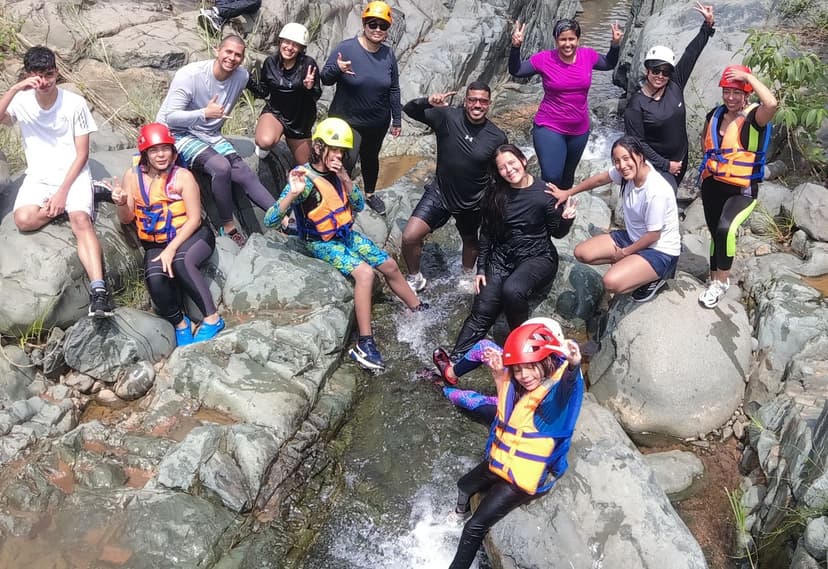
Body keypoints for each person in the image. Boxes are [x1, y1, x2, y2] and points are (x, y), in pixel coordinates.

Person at [263, 118, 427, 371]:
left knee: (390, 264)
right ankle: (365, 343)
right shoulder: (304, 180)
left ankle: (417, 308)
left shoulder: (338, 174)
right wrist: (293, 193)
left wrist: (346, 179)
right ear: (318, 147)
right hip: (319, 242)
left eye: (342, 151)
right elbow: (270, 220)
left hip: (344, 234)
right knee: (363, 273)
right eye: (334, 149)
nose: (339, 155)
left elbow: (359, 206)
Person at [447, 319, 584, 569]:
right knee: (463, 485)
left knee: (473, 528)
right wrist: (501, 374)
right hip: (503, 460)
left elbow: (568, 387)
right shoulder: (522, 387)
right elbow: (507, 410)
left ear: (547, 361)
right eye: (519, 370)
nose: (524, 376)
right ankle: (458, 512)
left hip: (522, 478)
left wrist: (574, 365)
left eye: (531, 367)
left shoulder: (556, 401)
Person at [434, 145, 576, 369]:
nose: (509, 170)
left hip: (537, 257)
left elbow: (557, 233)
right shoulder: (495, 193)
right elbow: (487, 234)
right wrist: (481, 269)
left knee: (512, 290)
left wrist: (567, 219)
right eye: (502, 167)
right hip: (501, 259)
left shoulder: (544, 194)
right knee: (482, 311)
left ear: (523, 160)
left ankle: (524, 356)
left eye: (512, 163)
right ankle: (452, 364)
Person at [0, 45, 114, 318]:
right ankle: (92, 194)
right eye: (38, 75)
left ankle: (99, 291)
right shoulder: (21, 101)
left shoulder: (74, 103)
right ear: (28, 75)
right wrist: (15, 89)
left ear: (57, 72)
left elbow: (83, 153)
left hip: (73, 173)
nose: (45, 81)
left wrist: (63, 193)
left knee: (80, 221)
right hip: (39, 175)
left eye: (49, 74)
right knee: (24, 220)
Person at [156, 34, 277, 248]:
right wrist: (204, 113)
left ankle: (283, 217)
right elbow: (170, 117)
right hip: (177, 133)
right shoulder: (190, 75)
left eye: (238, 55)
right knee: (221, 167)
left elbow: (265, 91)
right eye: (228, 52)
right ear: (217, 50)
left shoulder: (241, 76)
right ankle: (228, 225)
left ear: (243, 58)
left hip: (209, 134)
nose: (232, 58)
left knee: (243, 172)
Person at [109, 123, 224, 345]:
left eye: (165, 149)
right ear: (145, 154)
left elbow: (194, 219)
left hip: (194, 236)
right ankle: (181, 323)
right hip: (156, 242)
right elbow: (126, 218)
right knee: (154, 277)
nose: (161, 155)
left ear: (173, 151)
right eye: (154, 150)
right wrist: (122, 202)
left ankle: (212, 318)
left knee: (181, 262)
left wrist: (172, 250)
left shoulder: (183, 177)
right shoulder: (132, 177)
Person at [400, 83, 508, 292]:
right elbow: (409, 109)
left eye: (483, 101)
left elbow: (502, 171)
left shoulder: (497, 137)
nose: (477, 105)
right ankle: (415, 277)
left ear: (489, 104)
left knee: (470, 240)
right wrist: (428, 102)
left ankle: (467, 275)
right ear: (465, 101)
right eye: (473, 100)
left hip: (473, 200)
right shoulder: (447, 116)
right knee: (410, 236)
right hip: (440, 192)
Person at [549, 135, 681, 302]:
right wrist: (568, 192)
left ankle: (656, 277)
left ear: (640, 156)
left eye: (626, 158)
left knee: (610, 283)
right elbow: (598, 180)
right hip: (634, 237)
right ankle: (632, 266)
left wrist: (624, 253)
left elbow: (654, 235)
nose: (622, 166)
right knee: (582, 253)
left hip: (660, 250)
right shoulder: (628, 174)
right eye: (616, 161)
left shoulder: (656, 191)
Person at [697, 65, 777, 308]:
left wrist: (749, 78)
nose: (730, 97)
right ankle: (714, 280)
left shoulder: (755, 118)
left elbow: (772, 104)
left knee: (725, 229)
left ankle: (721, 283)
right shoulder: (715, 114)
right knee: (715, 234)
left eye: (736, 92)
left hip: (741, 189)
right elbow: (705, 142)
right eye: (726, 92)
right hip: (713, 185)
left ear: (746, 95)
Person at [508, 18, 622, 188]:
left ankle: (561, 213)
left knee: (567, 178)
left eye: (571, 39)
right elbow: (516, 70)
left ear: (578, 39)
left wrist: (615, 44)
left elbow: (608, 63)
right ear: (556, 40)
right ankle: (546, 211)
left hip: (579, 129)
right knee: (552, 176)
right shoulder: (544, 59)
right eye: (563, 39)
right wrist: (515, 47)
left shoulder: (588, 55)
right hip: (550, 126)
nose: (567, 44)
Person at [320, 0, 401, 215]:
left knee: (370, 157)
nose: (377, 29)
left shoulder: (388, 55)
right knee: (347, 158)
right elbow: (325, 78)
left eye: (382, 26)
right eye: (372, 24)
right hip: (347, 120)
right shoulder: (347, 48)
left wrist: (397, 119)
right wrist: (337, 68)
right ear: (364, 24)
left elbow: (394, 89)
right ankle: (334, 197)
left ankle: (370, 195)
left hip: (377, 121)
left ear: (387, 29)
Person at [624, 3, 715, 190]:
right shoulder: (637, 104)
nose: (660, 76)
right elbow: (637, 143)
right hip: (655, 166)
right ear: (647, 70)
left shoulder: (674, 84)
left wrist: (707, 25)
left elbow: (691, 53)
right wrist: (666, 165)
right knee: (662, 205)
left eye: (665, 72)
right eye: (655, 70)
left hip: (680, 161)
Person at [248, 22, 321, 165]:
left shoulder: (308, 64)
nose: (289, 47)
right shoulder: (270, 62)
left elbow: (315, 96)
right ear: (280, 41)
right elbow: (264, 91)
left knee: (308, 168)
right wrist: (248, 81)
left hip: (299, 121)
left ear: (301, 48)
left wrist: (309, 87)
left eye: (295, 44)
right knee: (265, 141)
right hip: (276, 112)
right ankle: (267, 135)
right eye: (286, 42)